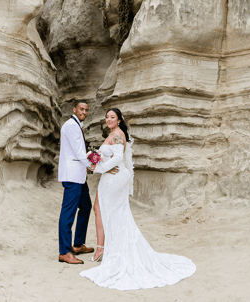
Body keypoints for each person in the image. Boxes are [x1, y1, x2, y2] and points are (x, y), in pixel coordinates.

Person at [80, 108, 196, 290]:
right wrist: (99, 162)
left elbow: (118, 158)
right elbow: (112, 158)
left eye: (112, 117)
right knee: (104, 209)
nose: (109, 119)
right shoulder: (114, 133)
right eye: (107, 117)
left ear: (118, 120)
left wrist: (97, 169)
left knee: (105, 210)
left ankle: (103, 249)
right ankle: (103, 247)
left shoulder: (117, 135)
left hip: (114, 178)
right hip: (112, 175)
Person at [57, 100, 117, 264]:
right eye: (81, 109)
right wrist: (95, 164)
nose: (84, 112)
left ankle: (78, 244)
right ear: (74, 109)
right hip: (72, 176)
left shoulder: (76, 125)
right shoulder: (71, 125)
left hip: (78, 176)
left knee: (85, 207)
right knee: (68, 213)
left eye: (86, 110)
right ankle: (64, 252)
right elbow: (78, 153)